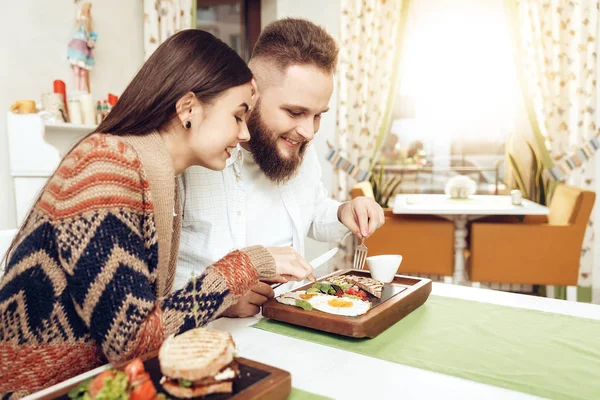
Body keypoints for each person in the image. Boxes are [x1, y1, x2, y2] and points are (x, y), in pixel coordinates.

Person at [0, 30, 312, 397]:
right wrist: (247, 264)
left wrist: (223, 301)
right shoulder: (106, 170)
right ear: (188, 109)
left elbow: (135, 315)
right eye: (237, 116)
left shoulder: (152, 173)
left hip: (97, 383)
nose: (244, 134)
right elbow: (132, 341)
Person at [177, 18, 385, 317]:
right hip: (206, 337)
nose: (309, 132)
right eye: (295, 112)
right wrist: (219, 299)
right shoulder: (193, 156)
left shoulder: (298, 147)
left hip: (290, 321)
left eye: (317, 115)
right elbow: (156, 282)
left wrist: (343, 212)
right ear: (252, 91)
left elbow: (312, 213)